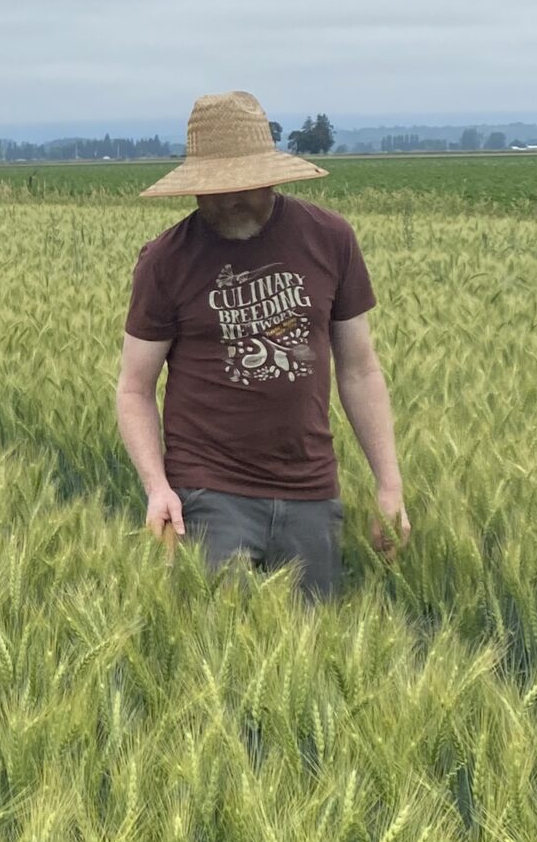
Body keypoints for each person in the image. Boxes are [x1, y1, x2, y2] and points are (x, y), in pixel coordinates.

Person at [114, 90, 407, 600]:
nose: (232, 199)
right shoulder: (165, 261)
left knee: (313, 654)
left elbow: (360, 369)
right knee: (217, 654)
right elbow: (134, 389)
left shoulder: (330, 238)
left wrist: (390, 485)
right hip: (209, 494)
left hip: (311, 491)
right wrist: (158, 488)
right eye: (216, 188)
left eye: (245, 185)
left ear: (272, 174)